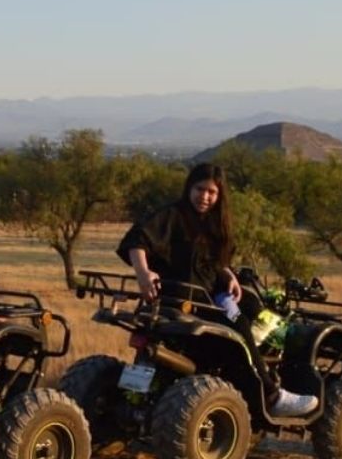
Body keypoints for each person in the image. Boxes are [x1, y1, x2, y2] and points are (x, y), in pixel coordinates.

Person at [117, 162, 318, 417]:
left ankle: (257, 369)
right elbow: (138, 240)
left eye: (212, 192)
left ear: (220, 195)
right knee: (240, 328)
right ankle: (271, 394)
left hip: (208, 294)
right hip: (184, 300)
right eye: (200, 189)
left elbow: (212, 261)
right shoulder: (173, 215)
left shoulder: (213, 223)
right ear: (189, 187)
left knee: (253, 306)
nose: (205, 197)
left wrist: (228, 275)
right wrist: (143, 274)